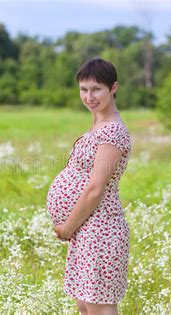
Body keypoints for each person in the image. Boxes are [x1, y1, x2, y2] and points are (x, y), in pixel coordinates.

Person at [46, 57, 132, 315]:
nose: (89, 96)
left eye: (96, 89)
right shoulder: (98, 126)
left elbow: (95, 189)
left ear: (113, 88)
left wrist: (67, 228)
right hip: (87, 229)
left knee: (99, 307)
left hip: (100, 229)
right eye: (84, 89)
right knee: (85, 305)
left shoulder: (113, 132)